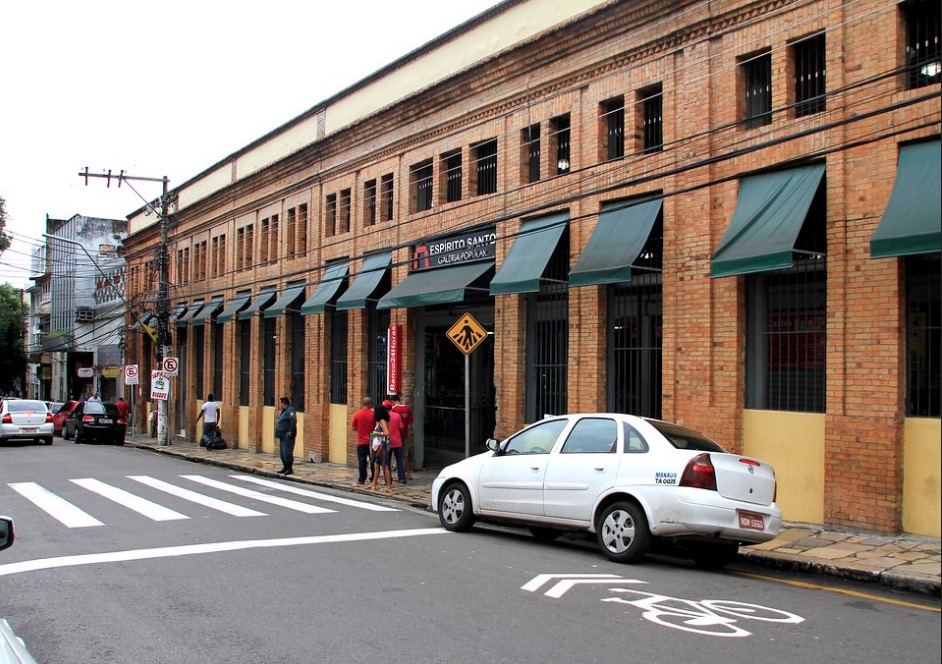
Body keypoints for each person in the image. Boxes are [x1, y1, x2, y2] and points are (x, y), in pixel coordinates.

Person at [389, 393, 414, 480]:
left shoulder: (394, 410)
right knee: (405, 455)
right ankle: (408, 474)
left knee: (396, 457)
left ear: (392, 401)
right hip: (405, 435)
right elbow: (410, 423)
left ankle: (397, 475)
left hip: (396, 436)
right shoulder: (407, 409)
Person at [370, 402, 394, 493]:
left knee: (385, 466)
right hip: (379, 446)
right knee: (376, 465)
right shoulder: (380, 420)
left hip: (383, 446)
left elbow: (387, 433)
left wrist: (377, 433)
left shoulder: (382, 421)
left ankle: (388, 486)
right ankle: (374, 483)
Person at [351, 397, 375, 486]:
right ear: (370, 404)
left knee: (362, 462)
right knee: (373, 461)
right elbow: (376, 427)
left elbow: (353, 427)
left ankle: (361, 479)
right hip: (372, 442)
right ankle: (373, 479)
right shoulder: (373, 414)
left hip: (361, 442)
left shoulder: (357, 414)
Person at [383, 399, 406, 485]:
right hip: (397, 441)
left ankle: (388, 480)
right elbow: (402, 428)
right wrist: (402, 437)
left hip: (387, 442)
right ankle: (402, 479)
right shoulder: (397, 416)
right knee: (400, 460)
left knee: (387, 462)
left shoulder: (383, 418)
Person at [274, 396, 298, 475]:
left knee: (287, 452)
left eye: (281, 403)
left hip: (287, 436)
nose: (280, 405)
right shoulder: (284, 411)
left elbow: (293, 420)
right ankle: (285, 467)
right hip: (282, 435)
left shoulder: (290, 410)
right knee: (282, 453)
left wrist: (290, 431)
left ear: (284, 403)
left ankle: (289, 468)